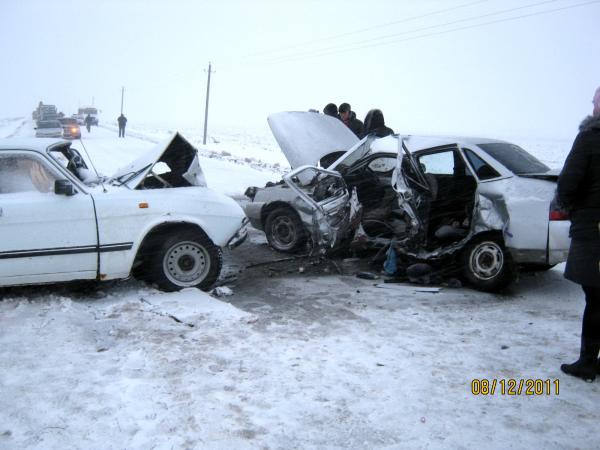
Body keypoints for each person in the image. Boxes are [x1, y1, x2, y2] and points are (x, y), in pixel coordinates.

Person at [557, 86, 600, 382]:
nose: (593, 105)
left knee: (595, 296)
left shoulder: (590, 137)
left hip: (594, 229)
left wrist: (570, 207)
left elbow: (569, 182)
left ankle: (587, 362)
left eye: (596, 101)